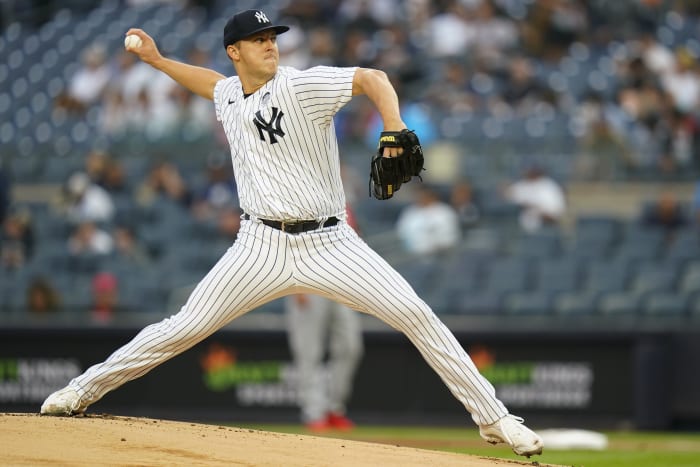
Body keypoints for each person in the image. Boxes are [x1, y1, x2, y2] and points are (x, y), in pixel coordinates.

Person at [40, 9, 543, 458]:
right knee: (184, 327)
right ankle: (81, 391)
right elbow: (208, 82)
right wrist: (157, 60)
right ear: (235, 52)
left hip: (330, 242)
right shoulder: (229, 93)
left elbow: (373, 76)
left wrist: (393, 127)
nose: (270, 44)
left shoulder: (302, 85)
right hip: (259, 245)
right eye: (258, 39)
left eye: (273, 36)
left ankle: (496, 420)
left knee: (415, 312)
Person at [286, 205, 363, 432]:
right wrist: (294, 284)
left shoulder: (341, 199)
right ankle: (314, 412)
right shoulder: (297, 197)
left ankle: (334, 408)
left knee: (350, 346)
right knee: (309, 351)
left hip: (341, 282)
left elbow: (354, 240)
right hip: (307, 280)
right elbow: (285, 240)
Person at [395, 184, 461, 256]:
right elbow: (401, 233)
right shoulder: (409, 212)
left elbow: (451, 237)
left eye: (424, 195)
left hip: (441, 255)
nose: (421, 197)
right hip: (413, 255)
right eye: (419, 195)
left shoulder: (445, 211)